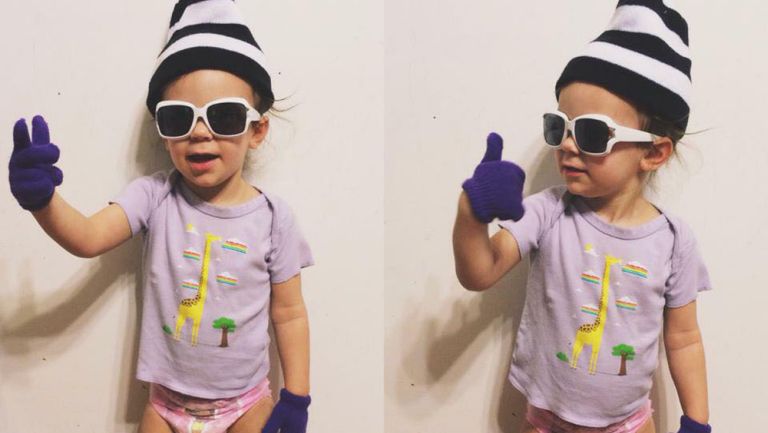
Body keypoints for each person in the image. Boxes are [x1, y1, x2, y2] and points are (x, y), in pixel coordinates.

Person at [8, 1, 313, 432]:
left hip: (245, 403)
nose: (200, 132)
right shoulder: (154, 197)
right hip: (166, 406)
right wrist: (43, 201)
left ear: (257, 130)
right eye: (178, 117)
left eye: (224, 115)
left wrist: (297, 396)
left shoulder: (274, 218)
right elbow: (88, 238)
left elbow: (290, 313)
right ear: (162, 131)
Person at [452, 1, 712, 432]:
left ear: (653, 152)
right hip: (545, 420)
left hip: (630, 424)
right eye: (559, 127)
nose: (568, 146)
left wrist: (697, 422)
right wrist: (471, 213)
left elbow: (684, 339)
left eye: (592, 132)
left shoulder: (673, 241)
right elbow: (480, 273)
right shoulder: (547, 211)